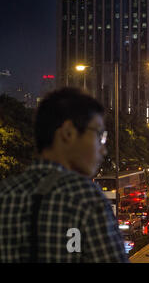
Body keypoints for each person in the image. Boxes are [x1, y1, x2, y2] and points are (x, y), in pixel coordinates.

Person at [0, 88, 129, 262]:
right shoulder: (84, 197)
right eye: (99, 135)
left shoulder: (5, 194)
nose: (103, 149)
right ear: (68, 132)